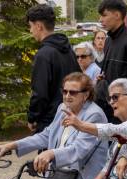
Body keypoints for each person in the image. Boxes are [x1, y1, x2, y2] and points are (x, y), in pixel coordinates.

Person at [0, 72, 108, 179]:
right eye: (65, 91)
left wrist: (51, 153)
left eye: (73, 92)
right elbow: (46, 135)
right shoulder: (63, 108)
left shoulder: (94, 114)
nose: (67, 96)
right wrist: (12, 145)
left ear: (86, 94)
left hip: (80, 175)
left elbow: (79, 149)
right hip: (60, 174)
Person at [26, 4, 81, 134]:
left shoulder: (43, 54)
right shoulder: (68, 50)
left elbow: (40, 93)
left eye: (30, 26)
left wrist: (32, 117)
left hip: (50, 123)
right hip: (70, 117)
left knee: (47, 154)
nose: (30, 31)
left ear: (39, 26)